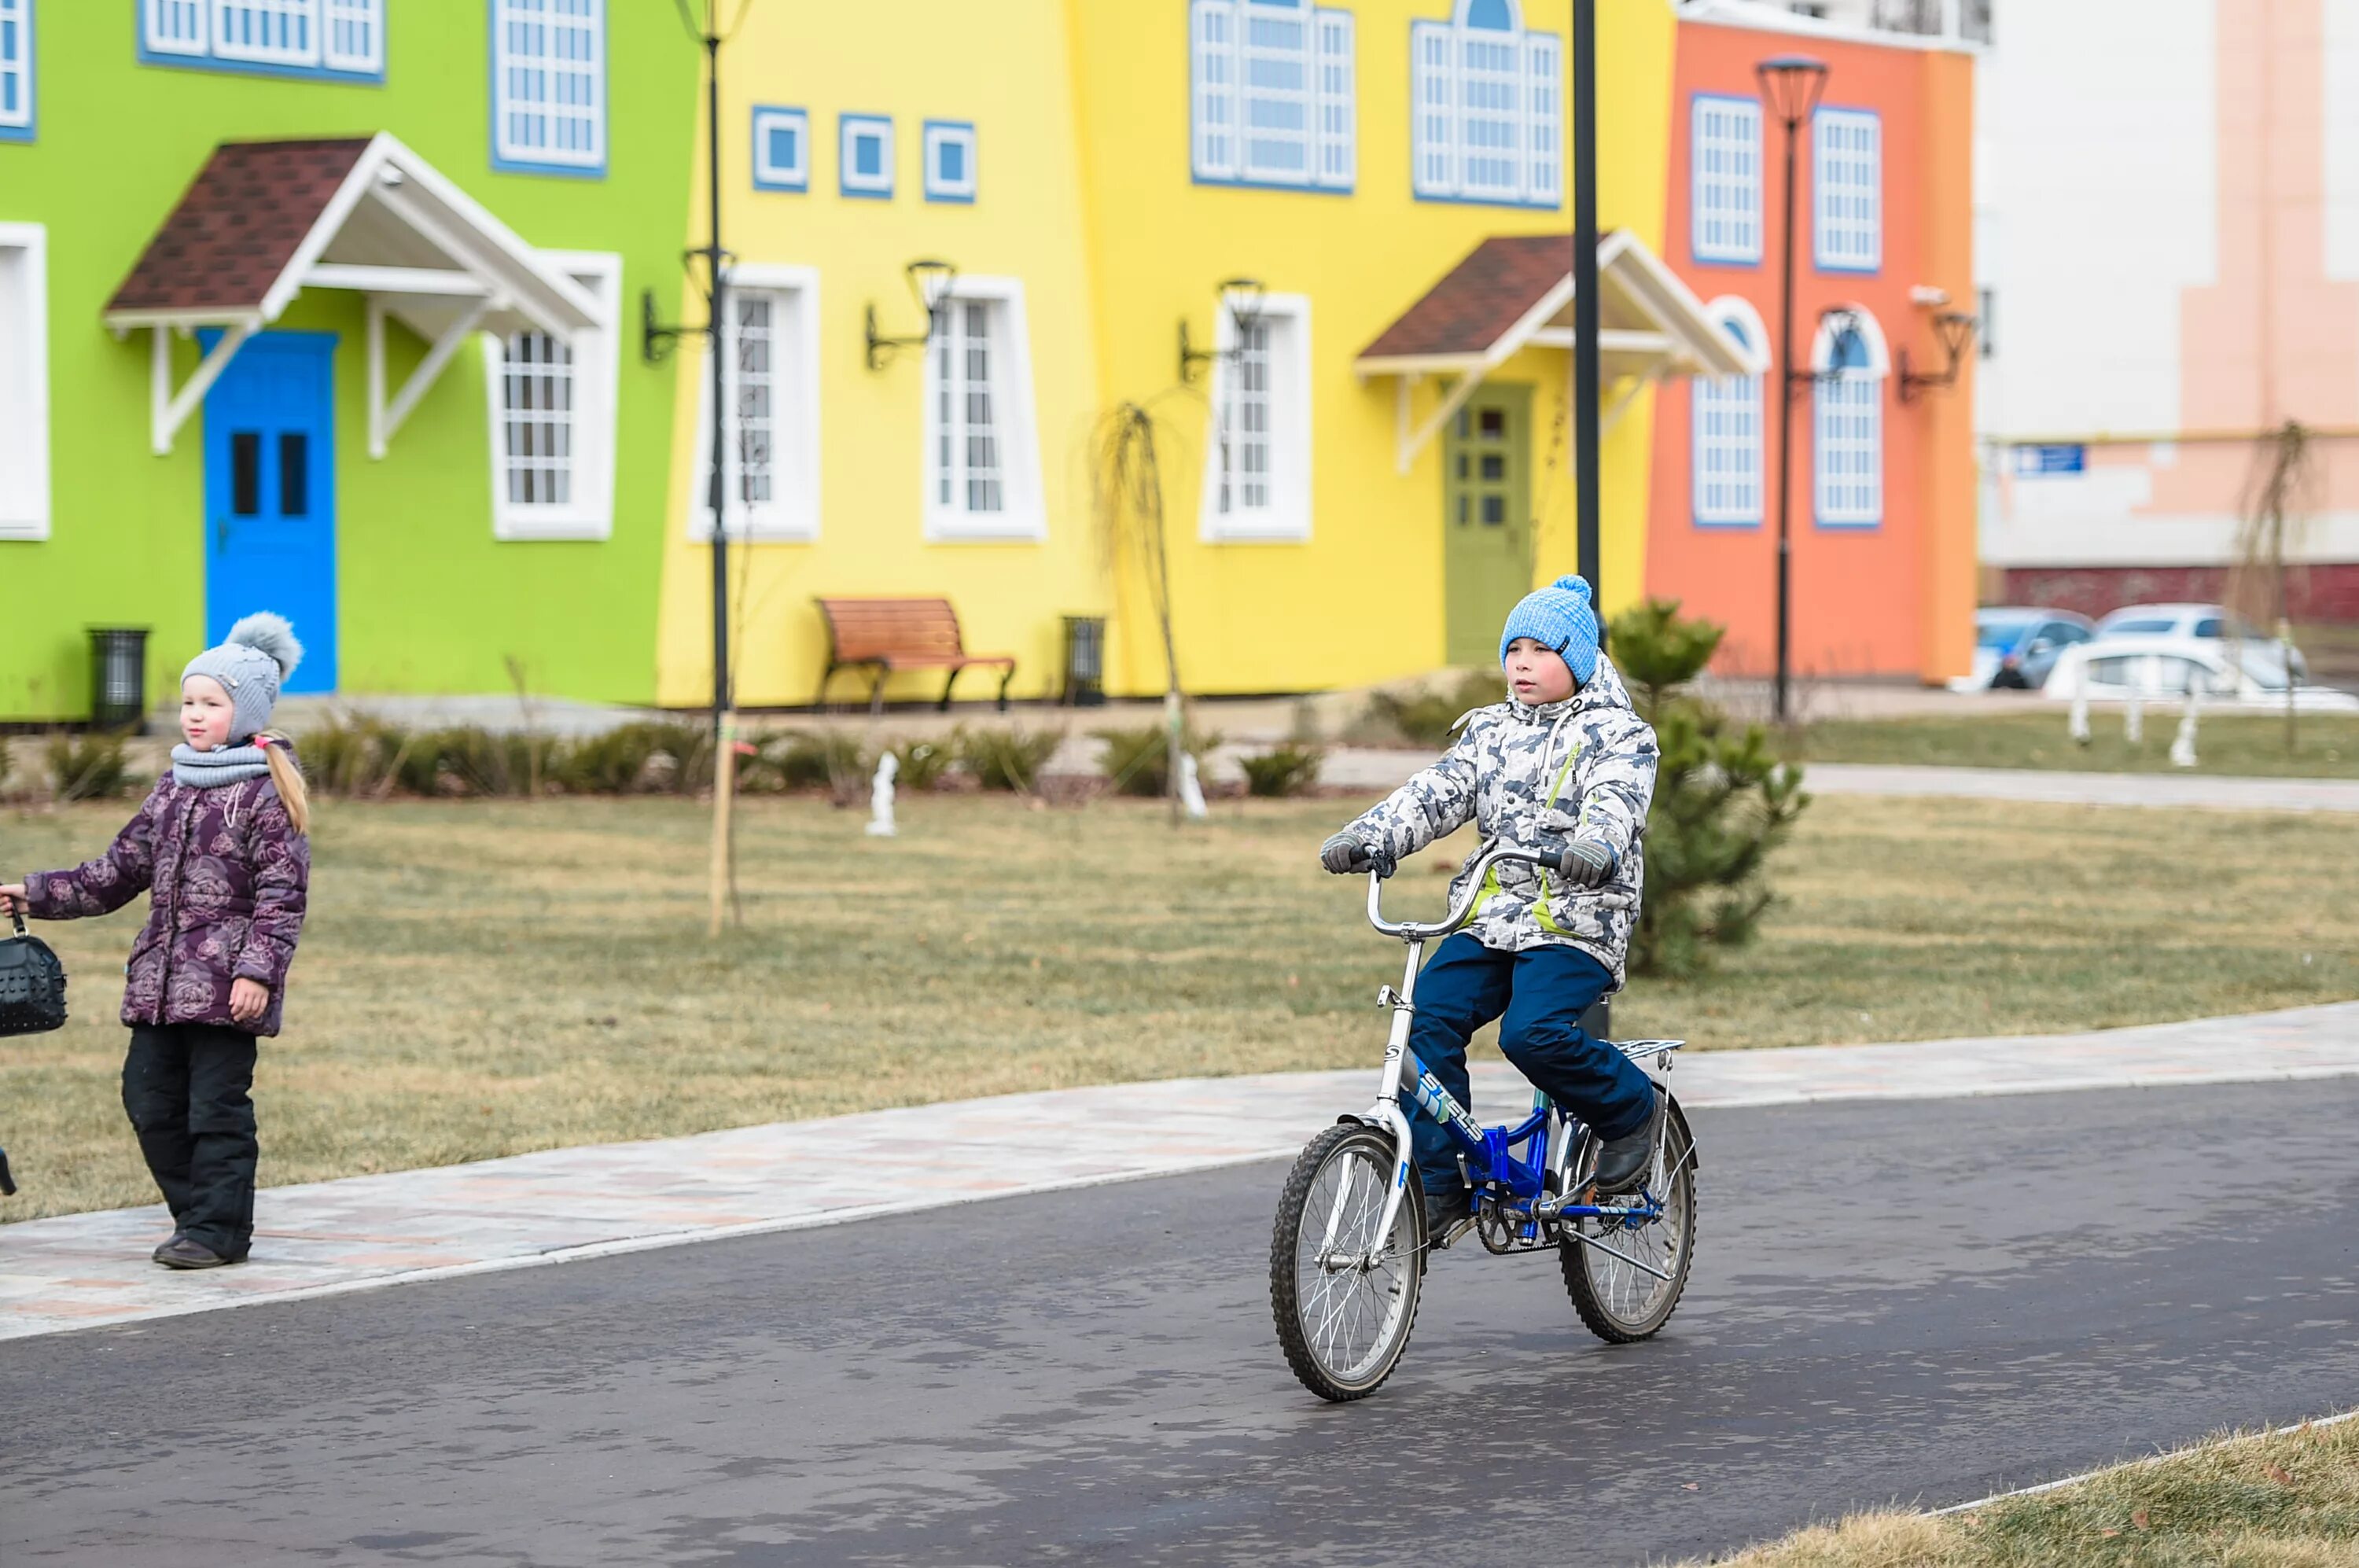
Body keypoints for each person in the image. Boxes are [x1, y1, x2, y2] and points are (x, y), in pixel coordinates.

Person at [1319, 576, 1660, 1246]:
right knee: (1426, 1021)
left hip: (1573, 921)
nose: (1523, 663)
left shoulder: (1620, 735)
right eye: (1515, 650)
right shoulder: (1490, 733)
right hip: (1492, 916)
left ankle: (1631, 1111)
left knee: (1530, 1035)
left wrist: (1595, 845)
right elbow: (1434, 794)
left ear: (1583, 659)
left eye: (1543, 649)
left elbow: (1617, 801)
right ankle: (1442, 1184)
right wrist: (1370, 835)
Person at [2, 613, 311, 1269]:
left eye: (211, 704)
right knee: (148, 1101)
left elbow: (283, 900)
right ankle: (197, 1219)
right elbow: (117, 872)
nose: (194, 716)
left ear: (246, 710)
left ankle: (219, 1232)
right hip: (160, 986)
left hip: (229, 992)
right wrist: (34, 893)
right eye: (188, 702)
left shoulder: (261, 797)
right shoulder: (173, 787)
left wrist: (257, 974)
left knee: (216, 1112)